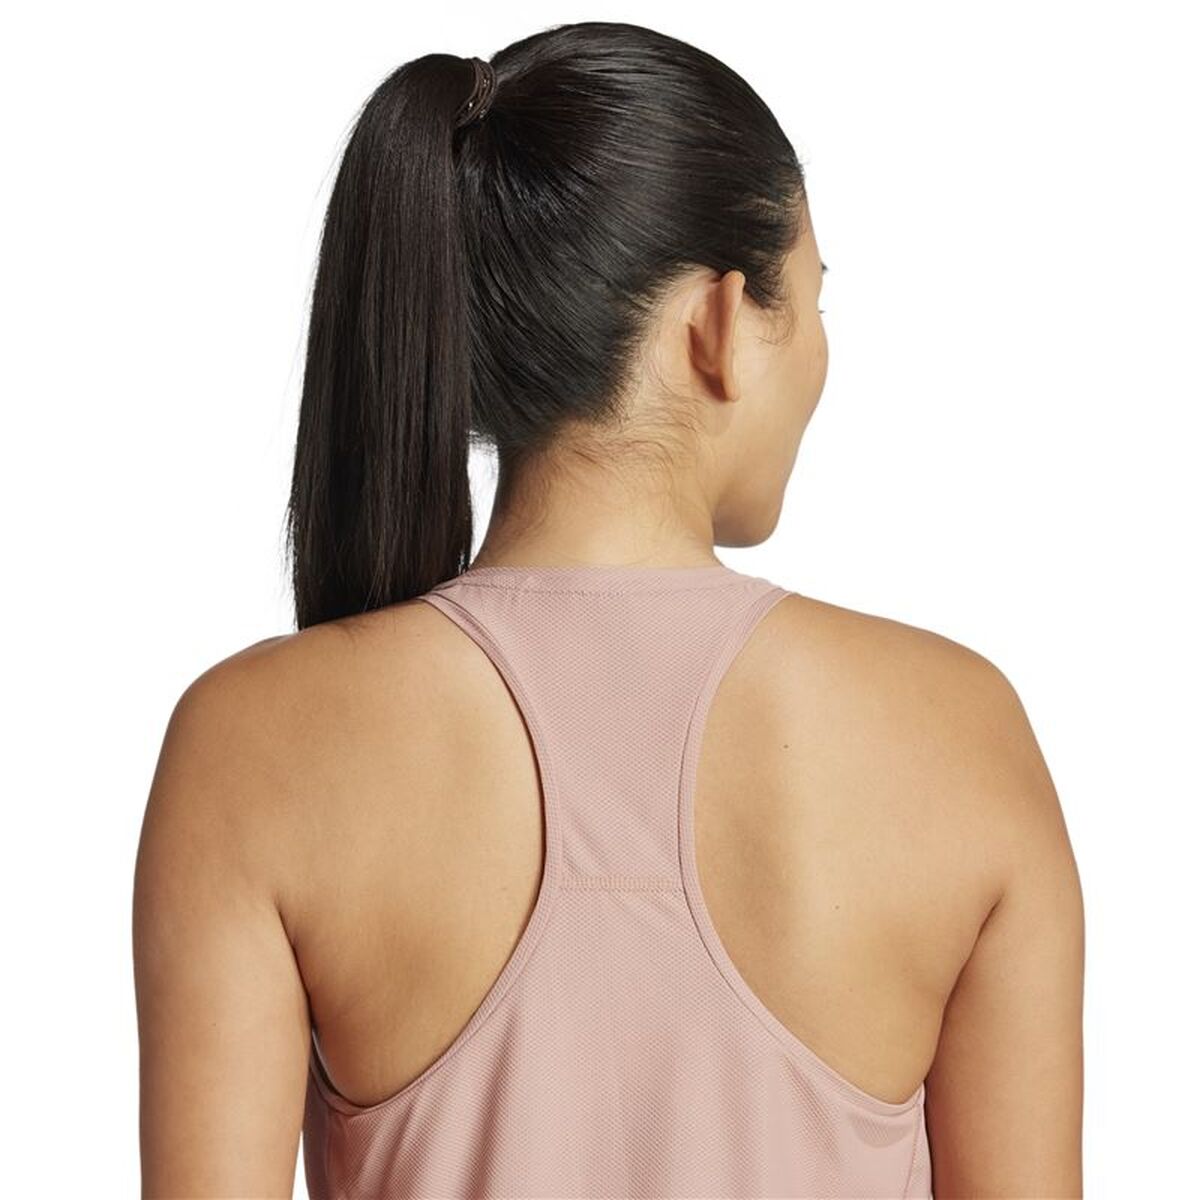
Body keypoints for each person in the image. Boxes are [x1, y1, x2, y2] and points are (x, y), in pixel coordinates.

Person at [133, 20, 1084, 1199]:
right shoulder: (958, 733)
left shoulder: (250, 743)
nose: (820, 352)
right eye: (813, 299)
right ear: (719, 325)